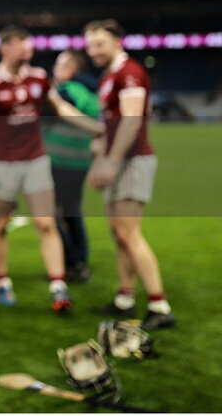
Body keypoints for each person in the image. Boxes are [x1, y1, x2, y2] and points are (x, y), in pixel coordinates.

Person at [0, 27, 103, 313]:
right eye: (20, 45)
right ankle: (2, 281)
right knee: (0, 224)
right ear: (5, 48)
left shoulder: (39, 77)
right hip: (3, 165)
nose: (27, 49)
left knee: (46, 223)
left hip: (36, 161)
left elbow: (63, 109)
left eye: (29, 45)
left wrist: (98, 128)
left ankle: (58, 286)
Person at [84, 19, 175, 330]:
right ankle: (125, 298)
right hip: (118, 159)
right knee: (119, 234)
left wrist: (110, 161)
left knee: (130, 234)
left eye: (99, 43)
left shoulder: (130, 72)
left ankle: (160, 305)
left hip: (133, 160)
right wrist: (102, 155)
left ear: (118, 42)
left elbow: (132, 120)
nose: (93, 50)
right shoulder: (109, 76)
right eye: (90, 45)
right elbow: (110, 122)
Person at [43, 50, 100, 283]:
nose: (54, 68)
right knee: (72, 211)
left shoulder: (67, 91)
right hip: (80, 160)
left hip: (60, 159)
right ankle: (80, 260)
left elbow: (50, 113)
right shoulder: (90, 91)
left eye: (59, 64)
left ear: (70, 70)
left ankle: (72, 261)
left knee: (52, 215)